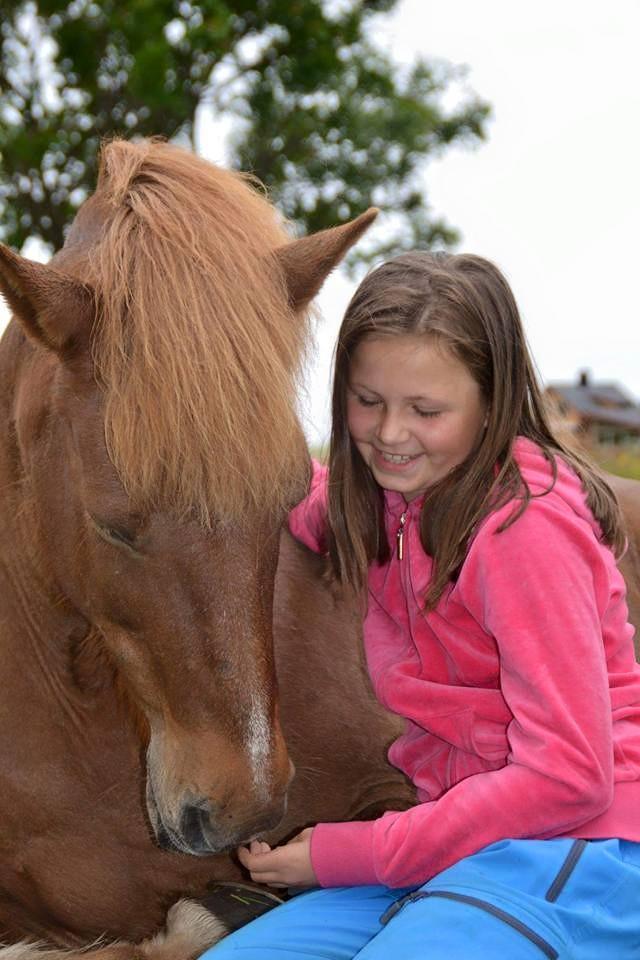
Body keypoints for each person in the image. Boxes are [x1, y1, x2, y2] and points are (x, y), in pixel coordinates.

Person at [203, 252, 640, 958]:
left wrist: (352, 852)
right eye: (367, 400)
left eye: (426, 410)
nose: (390, 434)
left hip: (581, 844)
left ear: (492, 405)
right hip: (456, 841)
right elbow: (298, 489)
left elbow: (571, 776)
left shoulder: (522, 529)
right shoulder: (379, 504)